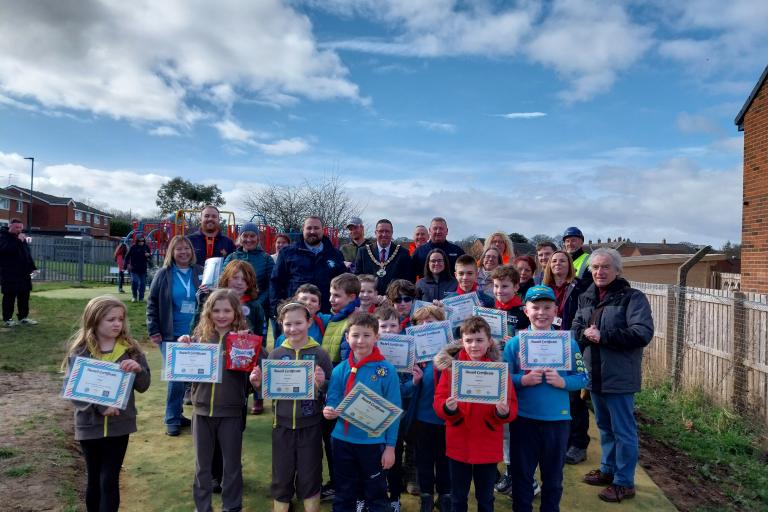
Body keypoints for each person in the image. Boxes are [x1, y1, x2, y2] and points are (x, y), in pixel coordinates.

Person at [572, 248, 654, 503]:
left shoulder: (632, 297)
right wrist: (582, 334)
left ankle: (624, 481)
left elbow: (642, 333)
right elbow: (576, 327)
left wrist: (603, 336)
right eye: (595, 267)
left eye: (606, 267)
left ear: (617, 270)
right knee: (605, 428)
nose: (600, 272)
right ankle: (608, 470)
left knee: (623, 431)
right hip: (593, 374)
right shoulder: (586, 297)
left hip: (619, 377)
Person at [504, 285, 588, 512]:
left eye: (547, 307)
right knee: (522, 477)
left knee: (553, 479)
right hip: (523, 420)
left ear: (556, 310)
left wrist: (563, 382)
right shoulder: (514, 344)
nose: (541, 312)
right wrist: (523, 380)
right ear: (525, 310)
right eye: (536, 307)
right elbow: (502, 379)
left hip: (557, 421)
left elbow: (583, 377)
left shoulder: (569, 343)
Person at [63, 296, 151, 512]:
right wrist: (100, 406)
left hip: (120, 425)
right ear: (94, 321)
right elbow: (73, 390)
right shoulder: (80, 351)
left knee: (110, 478)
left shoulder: (131, 349)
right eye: (110, 319)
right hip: (89, 425)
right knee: (94, 478)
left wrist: (138, 370)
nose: (117, 324)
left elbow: (143, 385)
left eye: (120, 319)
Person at [250, 302, 333, 512]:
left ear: (309, 322)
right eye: (288, 324)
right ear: (280, 324)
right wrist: (258, 384)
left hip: (311, 426)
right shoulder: (276, 355)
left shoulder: (320, 354)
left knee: (310, 473)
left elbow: (331, 392)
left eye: (298, 323)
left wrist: (322, 383)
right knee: (282, 474)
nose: (293, 328)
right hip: (282, 426)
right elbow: (269, 392)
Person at [433, 316, 517, 512]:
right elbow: (438, 400)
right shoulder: (451, 369)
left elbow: (512, 406)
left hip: (487, 443)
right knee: (458, 498)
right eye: (469, 340)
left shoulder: (500, 372)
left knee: (485, 498)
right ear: (462, 342)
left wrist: (502, 413)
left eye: (479, 340)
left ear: (489, 342)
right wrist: (448, 408)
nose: (474, 345)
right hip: (458, 442)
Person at [179, 289, 251, 512]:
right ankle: (202, 507)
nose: (221, 315)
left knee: (231, 467)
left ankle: (232, 507)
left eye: (227, 310)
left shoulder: (244, 338)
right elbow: (183, 369)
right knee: (202, 467)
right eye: (216, 310)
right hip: (201, 412)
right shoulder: (199, 338)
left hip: (230, 412)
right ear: (208, 312)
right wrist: (184, 346)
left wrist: (254, 348)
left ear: (236, 312)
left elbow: (258, 367)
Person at [323, 312, 402, 512]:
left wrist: (391, 447)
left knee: (376, 493)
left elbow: (394, 412)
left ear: (377, 337)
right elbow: (333, 397)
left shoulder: (386, 370)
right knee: (344, 492)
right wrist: (330, 409)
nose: (360, 341)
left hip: (373, 443)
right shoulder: (341, 369)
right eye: (355, 335)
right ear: (347, 336)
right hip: (342, 440)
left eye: (367, 335)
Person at [146, 235, 202, 436]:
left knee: (188, 376)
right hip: (170, 334)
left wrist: (207, 292)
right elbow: (152, 303)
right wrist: (153, 330)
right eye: (179, 249)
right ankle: (171, 419)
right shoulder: (163, 274)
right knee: (177, 377)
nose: (183, 252)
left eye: (186, 248)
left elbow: (210, 301)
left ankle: (178, 415)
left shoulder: (200, 272)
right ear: (172, 252)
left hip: (196, 333)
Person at [402, 305, 451, 512]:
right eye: (419, 323)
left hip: (446, 420)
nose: (424, 327)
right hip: (421, 420)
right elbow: (402, 391)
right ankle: (426, 498)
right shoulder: (410, 357)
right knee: (423, 461)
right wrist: (414, 381)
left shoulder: (453, 354)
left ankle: (445, 496)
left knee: (444, 461)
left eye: (429, 322)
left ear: (441, 326)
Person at [543, 250, 588, 465]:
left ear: (570, 264)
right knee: (552, 392)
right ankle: (560, 440)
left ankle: (578, 443)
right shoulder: (543, 289)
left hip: (570, 344)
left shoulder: (579, 287)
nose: (558, 264)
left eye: (562, 260)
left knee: (573, 396)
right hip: (546, 346)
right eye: (554, 261)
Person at [270, 216, 346, 314]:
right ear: (303, 230)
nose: (312, 231)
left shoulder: (335, 254)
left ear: (322, 230)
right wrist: (276, 309)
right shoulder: (287, 253)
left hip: (327, 313)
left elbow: (343, 284)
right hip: (295, 313)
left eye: (316, 228)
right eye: (309, 228)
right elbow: (276, 282)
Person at [223, 222, 274, 322]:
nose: (249, 239)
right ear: (240, 238)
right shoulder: (231, 257)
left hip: (259, 310)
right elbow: (223, 281)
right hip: (233, 308)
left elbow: (271, 286)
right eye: (245, 236)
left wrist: (257, 303)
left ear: (258, 238)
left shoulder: (266, 259)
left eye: (252, 236)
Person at [354, 219, 413, 293]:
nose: (384, 234)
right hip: (369, 299)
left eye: (387, 231)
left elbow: (407, 280)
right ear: (375, 233)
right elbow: (357, 278)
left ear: (392, 233)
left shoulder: (403, 253)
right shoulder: (363, 252)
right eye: (381, 231)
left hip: (394, 300)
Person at [0, 219, 37, 327]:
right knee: (9, 296)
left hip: (24, 273)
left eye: (21, 227)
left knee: (24, 295)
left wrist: (33, 268)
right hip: (9, 273)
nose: (19, 230)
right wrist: (18, 241)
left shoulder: (21, 238)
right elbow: (5, 250)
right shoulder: (3, 237)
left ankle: (23, 317)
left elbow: (27, 254)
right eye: (17, 227)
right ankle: (8, 319)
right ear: (10, 226)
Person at [562, 227, 593, 293]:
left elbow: (589, 286)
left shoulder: (590, 260)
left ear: (581, 243)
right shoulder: (560, 260)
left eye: (573, 241)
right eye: (567, 241)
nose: (570, 244)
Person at [125, 234, 152, 303]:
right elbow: (127, 257)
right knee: (135, 282)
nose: (141, 242)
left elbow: (150, 257)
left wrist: (148, 255)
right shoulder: (133, 247)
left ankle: (141, 298)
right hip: (134, 268)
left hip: (143, 268)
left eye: (142, 241)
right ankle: (134, 296)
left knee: (143, 284)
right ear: (137, 241)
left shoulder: (146, 247)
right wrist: (127, 264)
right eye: (139, 241)